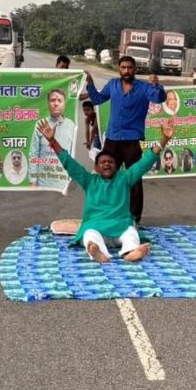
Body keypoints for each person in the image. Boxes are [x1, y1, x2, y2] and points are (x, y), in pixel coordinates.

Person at [37, 117, 175, 263]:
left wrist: (164, 139)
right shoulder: (89, 180)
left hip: (121, 226)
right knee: (89, 235)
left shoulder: (125, 177)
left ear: (116, 166)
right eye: (103, 162)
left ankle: (131, 253)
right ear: (96, 168)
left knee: (131, 232)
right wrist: (52, 141)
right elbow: (69, 163)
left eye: (110, 162)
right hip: (97, 227)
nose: (107, 164)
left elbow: (146, 161)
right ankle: (99, 253)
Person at [83, 56, 166, 224]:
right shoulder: (113, 84)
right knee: (106, 177)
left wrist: (157, 85)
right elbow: (98, 99)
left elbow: (159, 98)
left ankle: (134, 218)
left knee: (134, 179)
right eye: (123, 68)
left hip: (132, 140)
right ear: (119, 69)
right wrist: (90, 83)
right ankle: (105, 212)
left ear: (135, 70)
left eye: (130, 68)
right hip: (112, 138)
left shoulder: (144, 87)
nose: (126, 71)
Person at [28, 87, 77, 187]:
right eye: (52, 100)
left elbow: (72, 155)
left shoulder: (71, 126)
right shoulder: (41, 124)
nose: (56, 103)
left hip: (63, 183)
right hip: (43, 183)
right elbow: (34, 154)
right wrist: (32, 181)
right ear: (48, 104)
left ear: (64, 103)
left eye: (59, 100)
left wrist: (70, 178)